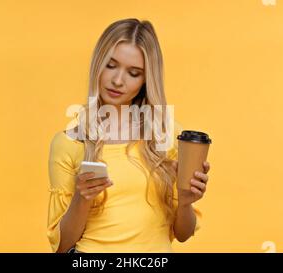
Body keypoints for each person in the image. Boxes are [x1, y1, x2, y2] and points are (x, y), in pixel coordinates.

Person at [47, 18, 211, 253]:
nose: (117, 80)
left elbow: (183, 234)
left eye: (133, 73)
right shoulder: (69, 142)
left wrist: (186, 202)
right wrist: (82, 198)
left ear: (146, 81)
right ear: (97, 64)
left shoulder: (167, 135)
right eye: (110, 65)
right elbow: (62, 246)